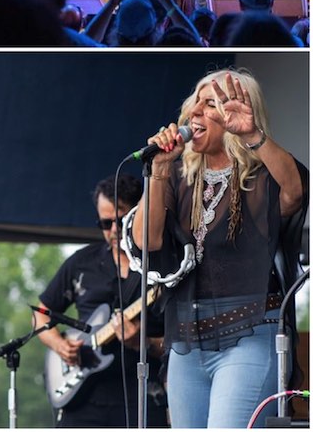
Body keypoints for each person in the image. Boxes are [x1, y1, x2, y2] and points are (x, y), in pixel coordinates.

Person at [132, 70, 307, 428]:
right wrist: (161, 167)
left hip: (250, 335)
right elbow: (146, 242)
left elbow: (294, 192)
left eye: (210, 103)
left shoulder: (260, 177)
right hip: (186, 345)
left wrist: (254, 136)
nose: (195, 111)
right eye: (194, 101)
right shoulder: (179, 178)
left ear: (237, 115)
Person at [36, 175, 168, 427]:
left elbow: (182, 341)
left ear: (140, 214)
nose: (114, 230)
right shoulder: (81, 262)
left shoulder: (164, 268)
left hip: (143, 397)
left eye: (121, 220)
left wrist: (144, 343)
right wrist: (59, 344)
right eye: (105, 223)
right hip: (83, 399)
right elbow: (41, 313)